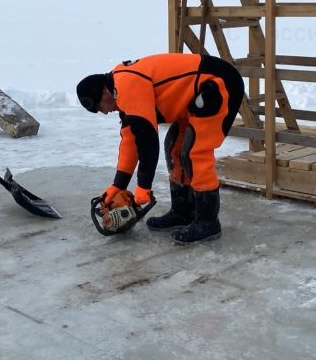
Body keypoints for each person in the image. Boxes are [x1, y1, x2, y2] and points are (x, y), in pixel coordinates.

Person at [76, 53, 244, 243]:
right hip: (195, 94)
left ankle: (208, 222)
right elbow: (131, 141)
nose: (105, 112)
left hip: (218, 83)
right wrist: (118, 184)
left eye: (100, 108)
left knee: (194, 152)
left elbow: (147, 139)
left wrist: (143, 186)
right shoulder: (120, 87)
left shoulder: (127, 86)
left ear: (104, 93)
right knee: (174, 147)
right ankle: (183, 212)